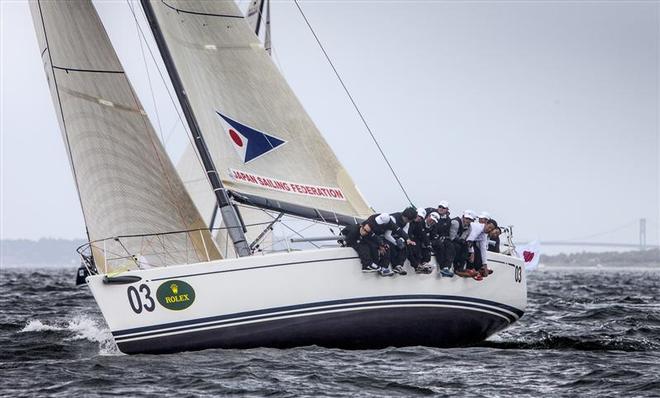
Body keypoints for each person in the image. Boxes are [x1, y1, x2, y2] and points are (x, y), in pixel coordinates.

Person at [385, 207, 418, 275]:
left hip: (395, 237)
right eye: (409, 220)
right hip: (385, 236)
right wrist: (396, 243)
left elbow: (404, 234)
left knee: (404, 246)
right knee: (393, 247)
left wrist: (401, 241)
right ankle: (394, 265)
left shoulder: (407, 222)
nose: (409, 222)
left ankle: (399, 265)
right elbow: (387, 235)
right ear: (405, 217)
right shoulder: (393, 219)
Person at [430, 202, 454, 277]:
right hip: (430, 237)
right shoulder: (431, 213)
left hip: (440, 238)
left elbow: (446, 232)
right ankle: (442, 266)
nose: (441, 209)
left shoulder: (448, 220)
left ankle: (446, 267)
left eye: (443, 208)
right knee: (439, 245)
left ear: (447, 209)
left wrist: (443, 237)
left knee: (450, 246)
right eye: (440, 206)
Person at [450, 211, 475, 278]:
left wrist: (467, 244)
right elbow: (452, 237)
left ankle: (460, 268)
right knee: (457, 247)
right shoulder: (456, 222)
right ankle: (456, 267)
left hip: (457, 241)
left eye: (470, 219)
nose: (468, 221)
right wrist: (462, 241)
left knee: (465, 247)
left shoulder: (470, 227)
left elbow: (465, 238)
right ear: (463, 217)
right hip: (449, 240)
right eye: (467, 218)